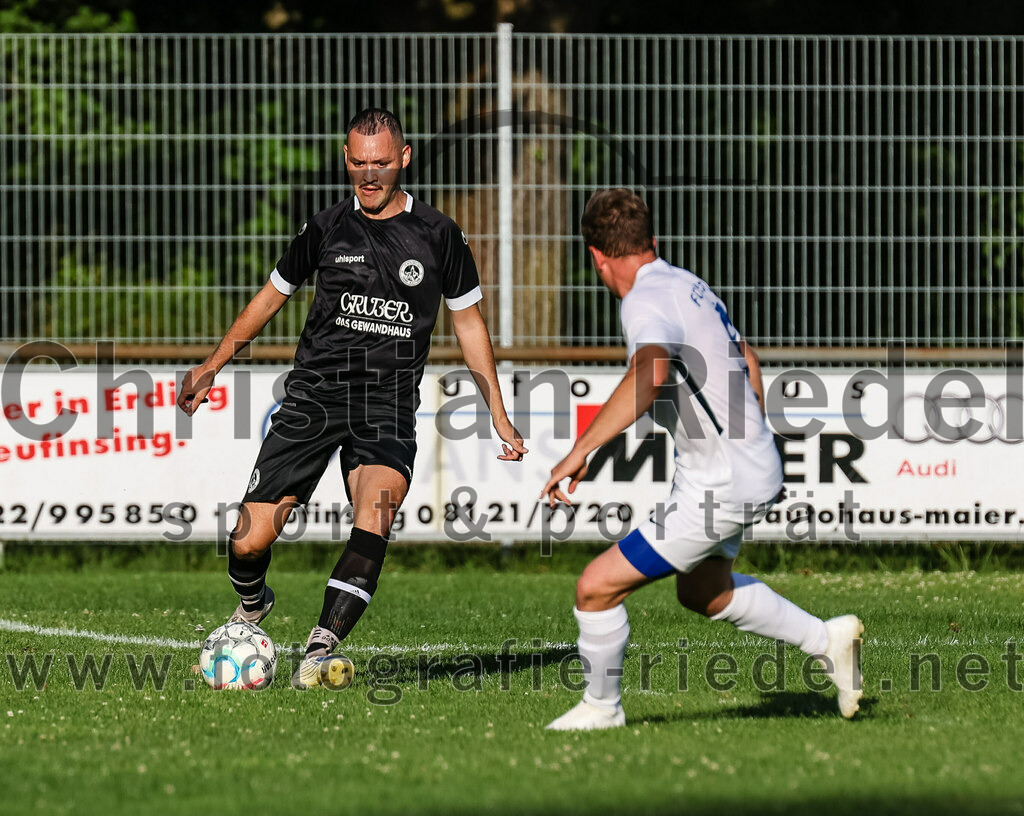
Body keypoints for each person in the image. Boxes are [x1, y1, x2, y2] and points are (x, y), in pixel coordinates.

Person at [177, 108, 526, 690]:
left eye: (382, 164)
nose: (369, 176)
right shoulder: (325, 227)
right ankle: (253, 606)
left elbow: (469, 326)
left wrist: (499, 413)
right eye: (359, 164)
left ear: (405, 159)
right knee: (247, 539)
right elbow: (270, 298)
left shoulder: (440, 236)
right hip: (313, 398)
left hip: (386, 406)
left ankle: (318, 651)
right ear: (346, 158)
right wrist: (213, 366)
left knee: (376, 514)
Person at [541, 189, 862, 730]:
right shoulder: (689, 285)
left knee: (595, 588)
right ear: (652, 243)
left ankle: (601, 709)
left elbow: (651, 372)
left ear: (596, 256)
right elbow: (746, 357)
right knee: (703, 590)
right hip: (739, 467)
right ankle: (826, 640)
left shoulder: (643, 300)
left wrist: (580, 449)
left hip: (721, 482)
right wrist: (751, 436)